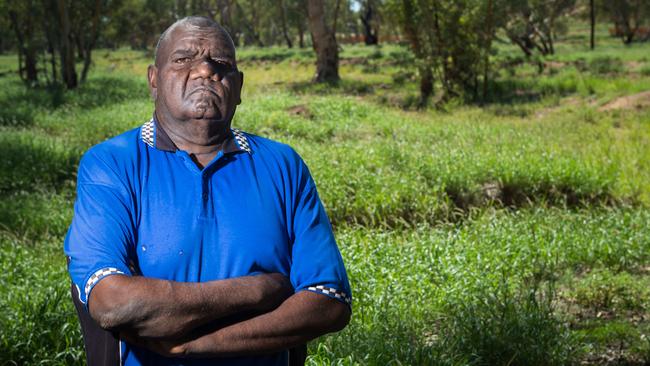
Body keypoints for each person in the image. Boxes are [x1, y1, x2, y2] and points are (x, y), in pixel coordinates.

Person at [64, 16, 351, 366]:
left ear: (239, 86)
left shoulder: (282, 165)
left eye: (221, 63)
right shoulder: (112, 163)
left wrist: (192, 346)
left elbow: (329, 300)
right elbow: (112, 302)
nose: (204, 70)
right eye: (183, 59)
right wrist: (260, 289)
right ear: (154, 80)